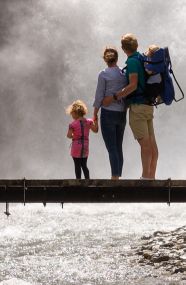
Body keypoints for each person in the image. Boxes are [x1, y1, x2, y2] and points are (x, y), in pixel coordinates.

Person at [102, 33, 158, 179]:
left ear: (122, 49)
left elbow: (133, 86)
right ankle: (151, 177)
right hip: (147, 105)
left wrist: (113, 98)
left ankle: (145, 177)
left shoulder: (133, 61)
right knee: (151, 143)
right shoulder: (143, 58)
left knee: (145, 143)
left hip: (138, 107)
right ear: (137, 45)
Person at [93, 46, 128, 179]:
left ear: (105, 59)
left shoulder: (103, 74)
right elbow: (127, 92)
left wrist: (95, 113)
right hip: (122, 113)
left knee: (112, 148)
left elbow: (99, 95)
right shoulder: (124, 73)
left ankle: (114, 177)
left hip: (108, 114)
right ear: (117, 58)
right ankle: (118, 176)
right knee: (119, 147)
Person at [66, 100, 98, 179]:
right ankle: (88, 180)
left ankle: (78, 181)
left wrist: (74, 135)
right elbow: (96, 130)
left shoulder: (72, 124)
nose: (72, 116)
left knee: (77, 165)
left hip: (76, 146)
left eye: (72, 114)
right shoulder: (89, 122)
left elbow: (69, 136)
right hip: (85, 146)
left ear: (76, 112)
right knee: (84, 165)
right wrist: (96, 122)